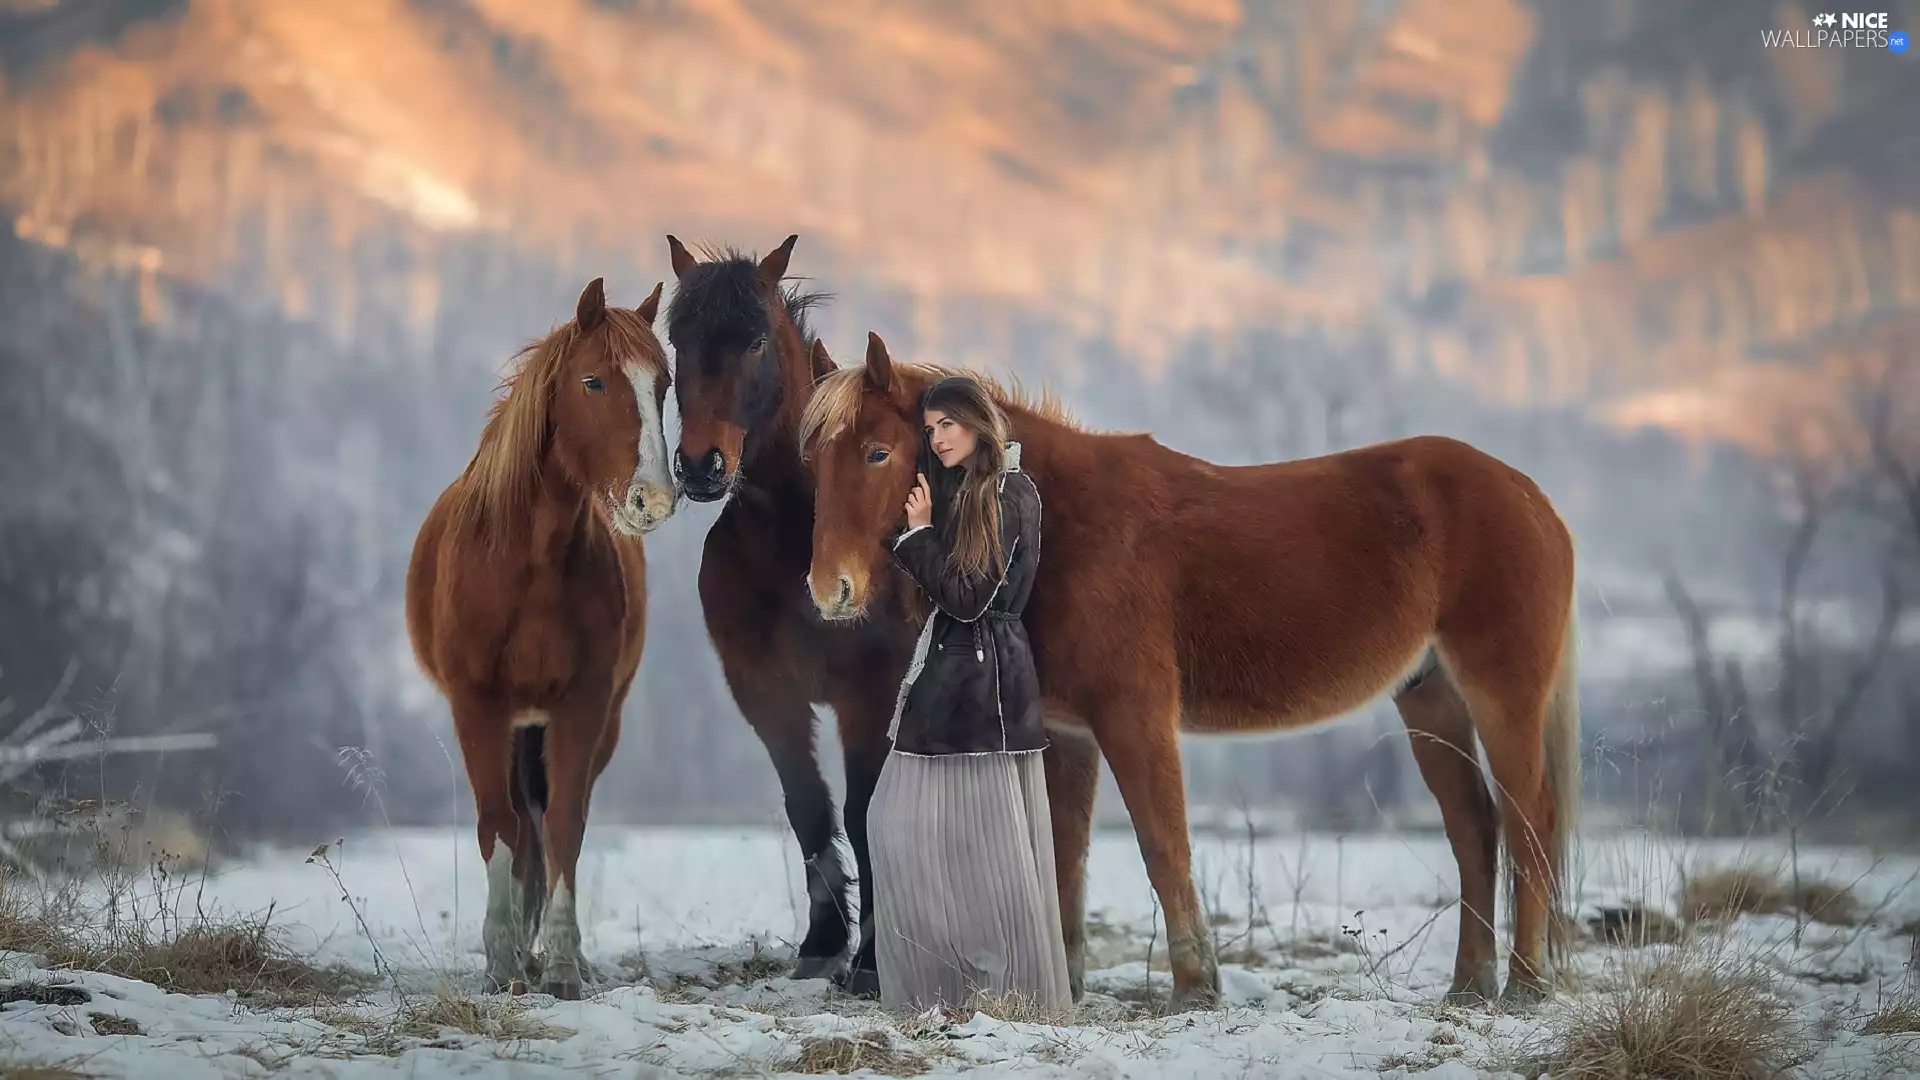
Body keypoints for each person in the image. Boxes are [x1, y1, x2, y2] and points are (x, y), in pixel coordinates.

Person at [867, 375, 1072, 1014]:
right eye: (930, 430)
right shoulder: (978, 491)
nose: (938, 438)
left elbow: (970, 597)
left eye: (947, 424)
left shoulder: (1010, 491)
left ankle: (995, 988)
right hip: (965, 675)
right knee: (908, 830)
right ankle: (956, 986)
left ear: (979, 422)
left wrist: (918, 536)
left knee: (988, 848)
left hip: (984, 683)